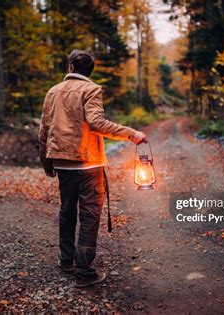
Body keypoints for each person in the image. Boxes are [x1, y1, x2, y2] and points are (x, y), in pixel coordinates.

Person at [38, 50, 147, 288]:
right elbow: (97, 123)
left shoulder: (53, 91)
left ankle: (66, 260)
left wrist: (47, 163)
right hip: (89, 164)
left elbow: (44, 130)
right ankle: (84, 271)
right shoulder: (92, 89)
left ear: (70, 67)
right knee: (89, 215)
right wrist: (132, 134)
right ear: (90, 71)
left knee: (67, 211)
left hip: (62, 163)